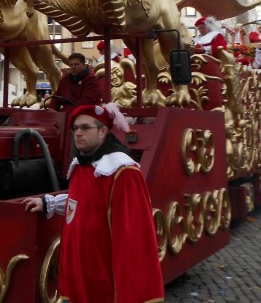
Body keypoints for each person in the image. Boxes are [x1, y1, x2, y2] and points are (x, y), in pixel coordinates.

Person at [22, 103, 163, 302]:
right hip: (81, 271)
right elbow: (82, 202)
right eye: (75, 129)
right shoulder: (81, 166)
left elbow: (134, 236)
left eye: (86, 128)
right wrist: (49, 203)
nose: (78, 133)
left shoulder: (123, 172)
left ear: (103, 131)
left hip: (103, 276)